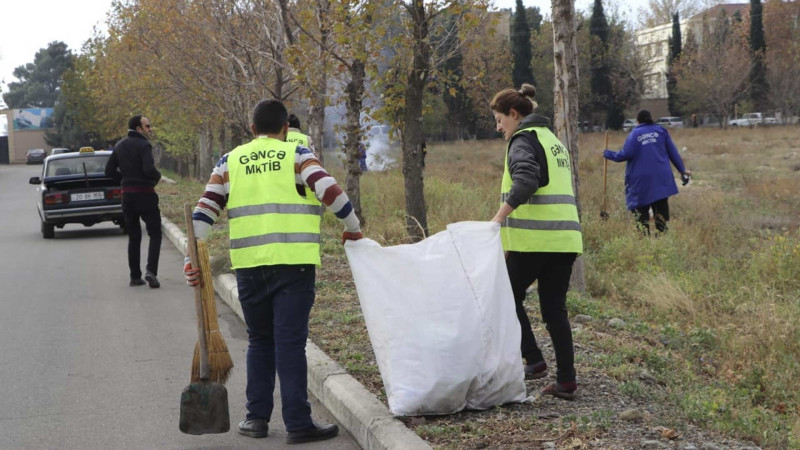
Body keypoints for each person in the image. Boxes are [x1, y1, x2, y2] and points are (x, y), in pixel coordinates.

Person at [184, 99, 363, 444]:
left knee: (260, 341)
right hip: (294, 264)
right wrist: (353, 228)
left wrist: (192, 259)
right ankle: (298, 423)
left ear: (252, 129)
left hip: (250, 266)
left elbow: (203, 212)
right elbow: (330, 191)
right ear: (285, 128)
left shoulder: (229, 161)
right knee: (290, 343)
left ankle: (256, 419)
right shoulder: (297, 155)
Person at [489, 84, 583, 400]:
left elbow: (527, 180)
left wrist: (498, 219)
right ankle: (566, 381)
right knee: (555, 310)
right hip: (565, 240)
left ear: (514, 114)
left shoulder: (522, 140)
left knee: (505, 296)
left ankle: (533, 359)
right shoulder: (553, 141)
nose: (498, 127)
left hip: (534, 241)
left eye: (500, 120)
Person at [603, 109, 691, 235]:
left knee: (641, 213)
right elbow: (673, 153)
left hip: (642, 182)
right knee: (661, 213)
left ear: (638, 121)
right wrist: (682, 170)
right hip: (661, 179)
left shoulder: (635, 134)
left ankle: (644, 238)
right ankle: (662, 237)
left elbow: (626, 154)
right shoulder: (661, 131)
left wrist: (608, 154)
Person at [105, 115, 162, 288]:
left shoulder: (120, 145)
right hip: (145, 195)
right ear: (138, 128)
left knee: (134, 236)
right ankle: (151, 271)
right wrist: (156, 177)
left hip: (127, 197)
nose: (150, 129)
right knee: (155, 233)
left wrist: (125, 180)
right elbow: (148, 169)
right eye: (147, 126)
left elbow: (108, 171)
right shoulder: (144, 145)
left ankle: (135, 277)